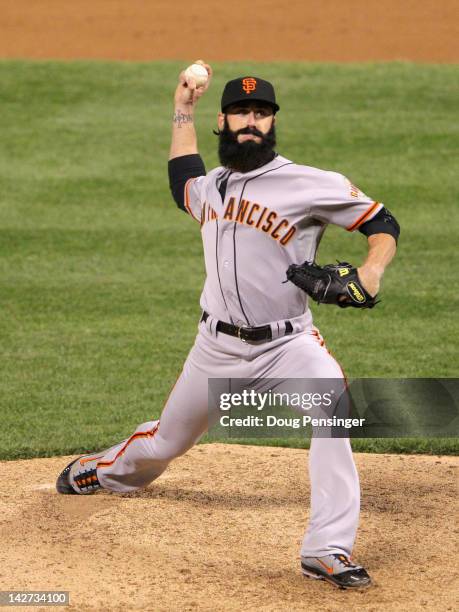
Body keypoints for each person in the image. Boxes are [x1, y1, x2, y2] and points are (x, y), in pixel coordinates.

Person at [56, 62, 399, 590]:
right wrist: (183, 108)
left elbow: (381, 221)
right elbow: (181, 180)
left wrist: (372, 271)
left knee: (334, 410)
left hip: (288, 346)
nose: (250, 122)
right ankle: (104, 471)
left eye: (261, 114)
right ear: (224, 120)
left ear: (273, 124)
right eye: (241, 112)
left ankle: (327, 548)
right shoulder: (212, 188)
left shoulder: (310, 182)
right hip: (214, 348)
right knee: (165, 443)